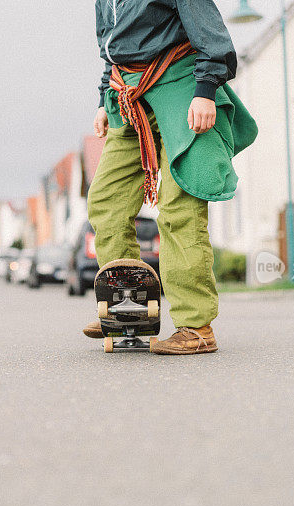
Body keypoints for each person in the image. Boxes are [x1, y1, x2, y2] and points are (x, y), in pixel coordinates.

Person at [83, 0, 258, 354]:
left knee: (179, 207)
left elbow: (213, 38)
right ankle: (127, 305)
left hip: (179, 86)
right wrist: (104, 98)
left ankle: (196, 326)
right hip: (128, 96)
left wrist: (205, 92)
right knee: (105, 202)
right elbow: (110, 48)